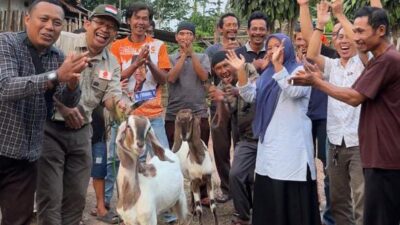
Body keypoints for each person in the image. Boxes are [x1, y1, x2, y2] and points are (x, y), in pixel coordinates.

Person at [291, 6, 400, 225]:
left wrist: (317, 82)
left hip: (373, 149)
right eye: (339, 36)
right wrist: (322, 18)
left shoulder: (378, 61)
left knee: (369, 207)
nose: (351, 38)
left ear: (380, 30)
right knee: (342, 202)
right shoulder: (342, 65)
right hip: (344, 142)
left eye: (358, 33)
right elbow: (312, 54)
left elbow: (354, 97)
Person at [36, 4, 123, 225]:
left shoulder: (112, 63)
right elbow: (38, 77)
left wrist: (122, 107)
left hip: (82, 133)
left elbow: (111, 97)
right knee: (50, 196)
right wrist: (62, 107)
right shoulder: (61, 41)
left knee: (76, 198)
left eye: (111, 26)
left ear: (115, 34)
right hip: (50, 128)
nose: (105, 29)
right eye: (100, 23)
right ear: (87, 24)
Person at [0, 0, 86, 224]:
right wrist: (56, 75)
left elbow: (66, 101)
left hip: (26, 156)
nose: (50, 27)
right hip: (1, 145)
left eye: (57, 23)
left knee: (18, 219)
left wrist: (72, 84)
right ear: (27, 19)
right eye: (44, 19)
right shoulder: (6, 43)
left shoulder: (57, 57)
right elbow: (6, 86)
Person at [237, 33, 321, 225]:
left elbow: (293, 91)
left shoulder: (300, 71)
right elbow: (250, 95)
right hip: (270, 146)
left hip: (293, 147)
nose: (274, 50)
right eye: (271, 47)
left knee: (293, 200)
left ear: (288, 48)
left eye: (279, 46)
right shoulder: (266, 75)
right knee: (270, 190)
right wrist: (241, 70)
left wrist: (276, 66)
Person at [306, 1, 369, 224]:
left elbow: (362, 43)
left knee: (361, 198)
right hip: (334, 142)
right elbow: (312, 54)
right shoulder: (332, 66)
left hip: (358, 142)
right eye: (338, 37)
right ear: (333, 42)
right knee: (338, 198)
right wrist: (321, 24)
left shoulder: (364, 63)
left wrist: (340, 16)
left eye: (347, 36)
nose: (343, 40)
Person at [208, 51, 259, 225]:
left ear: (233, 62)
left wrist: (236, 91)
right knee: (236, 175)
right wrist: (220, 101)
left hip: (265, 134)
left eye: (225, 65)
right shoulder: (222, 86)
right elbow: (223, 119)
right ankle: (243, 214)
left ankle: (259, 211)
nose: (222, 71)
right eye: (218, 69)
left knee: (257, 177)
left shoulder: (248, 69)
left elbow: (255, 92)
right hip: (244, 135)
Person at [165, 21, 210, 148]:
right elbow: (171, 78)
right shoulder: (170, 58)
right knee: (175, 154)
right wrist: (184, 55)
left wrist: (192, 54)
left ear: (194, 38)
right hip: (174, 114)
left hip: (199, 113)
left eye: (189, 34)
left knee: (199, 153)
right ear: (176, 37)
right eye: (182, 33)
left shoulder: (203, 57)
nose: (185, 37)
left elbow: (203, 76)